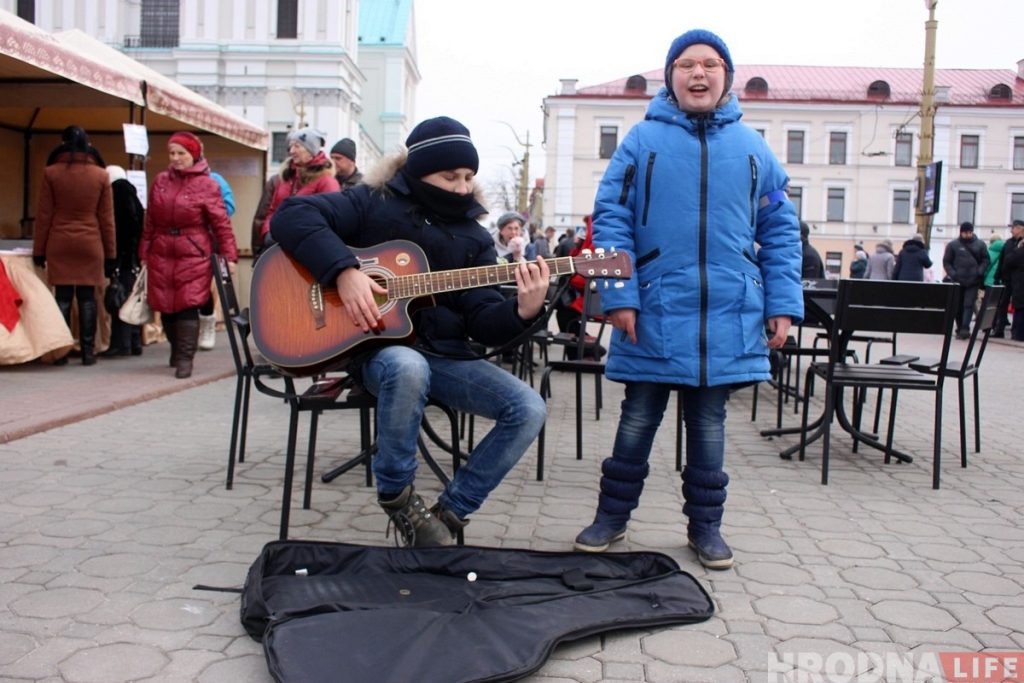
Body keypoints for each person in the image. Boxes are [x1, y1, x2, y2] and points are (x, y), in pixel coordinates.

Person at [571, 29, 803, 570]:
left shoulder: (753, 148)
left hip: (727, 313)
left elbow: (781, 229)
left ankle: (707, 528)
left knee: (709, 427)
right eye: (686, 64)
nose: (698, 73)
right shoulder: (641, 142)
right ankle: (611, 518)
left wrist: (782, 304)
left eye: (711, 64)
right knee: (636, 422)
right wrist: (618, 296)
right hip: (652, 310)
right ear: (670, 76)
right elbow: (611, 220)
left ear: (727, 76)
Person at [270, 116, 550, 547]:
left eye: (468, 177)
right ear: (419, 171)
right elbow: (292, 216)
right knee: (407, 364)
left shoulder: (474, 238)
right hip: (378, 353)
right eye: (449, 176)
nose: (460, 188)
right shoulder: (371, 202)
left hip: (444, 356)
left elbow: (482, 318)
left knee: (529, 408)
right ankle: (398, 496)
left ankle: (450, 511)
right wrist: (343, 271)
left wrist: (523, 310)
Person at [140, 132, 238, 379]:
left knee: (187, 304)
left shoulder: (208, 184)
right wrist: (144, 251)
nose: (175, 158)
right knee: (166, 306)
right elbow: (150, 220)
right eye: (172, 153)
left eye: (181, 153)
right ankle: (175, 349)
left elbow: (221, 224)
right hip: (162, 250)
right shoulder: (161, 181)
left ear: (193, 155)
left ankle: (186, 358)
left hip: (194, 251)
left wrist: (230, 257)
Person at [32, 126, 116, 366]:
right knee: (88, 297)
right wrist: (111, 254)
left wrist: (39, 250)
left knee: (64, 297)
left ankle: (61, 351)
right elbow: (107, 220)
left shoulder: (51, 173)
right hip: (91, 242)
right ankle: (88, 351)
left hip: (59, 241)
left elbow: (44, 215)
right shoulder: (101, 175)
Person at [251, 126, 340, 257]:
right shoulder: (285, 178)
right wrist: (268, 233)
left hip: (306, 253)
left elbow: (328, 221)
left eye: (297, 146)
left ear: (311, 150)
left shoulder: (326, 182)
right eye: (291, 146)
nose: (292, 151)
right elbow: (272, 210)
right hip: (277, 249)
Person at [99, 165, 145, 357]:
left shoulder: (116, 194)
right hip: (133, 258)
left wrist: (114, 259)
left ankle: (120, 344)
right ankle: (135, 341)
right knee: (131, 299)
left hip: (122, 257)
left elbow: (118, 230)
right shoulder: (132, 194)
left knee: (119, 299)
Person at [942, 221, 990, 339]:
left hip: (973, 281)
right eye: (965, 232)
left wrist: (979, 271)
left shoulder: (980, 244)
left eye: (970, 232)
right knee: (958, 306)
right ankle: (959, 327)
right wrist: (953, 274)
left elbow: (986, 260)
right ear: (961, 232)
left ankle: (965, 328)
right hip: (958, 280)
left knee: (968, 304)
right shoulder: (953, 245)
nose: (968, 235)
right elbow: (947, 262)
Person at [997, 219, 1024, 341]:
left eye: (1013, 228)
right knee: (1002, 304)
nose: (1011, 230)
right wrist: (997, 277)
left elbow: (1012, 259)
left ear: (1020, 229)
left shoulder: (1021, 244)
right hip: (1007, 279)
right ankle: (999, 329)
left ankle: (1017, 333)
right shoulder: (1008, 243)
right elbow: (1002, 261)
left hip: (1019, 281)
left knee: (1019, 306)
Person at [985, 231, 1009, 337]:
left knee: (990, 305)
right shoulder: (1006, 248)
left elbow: (987, 266)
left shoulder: (990, 251)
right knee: (1000, 305)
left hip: (990, 281)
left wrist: (982, 278)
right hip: (1002, 280)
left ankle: (988, 325)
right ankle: (999, 325)